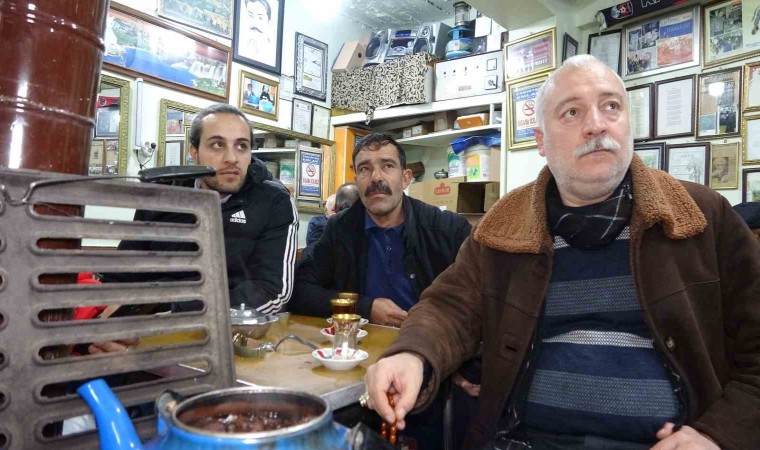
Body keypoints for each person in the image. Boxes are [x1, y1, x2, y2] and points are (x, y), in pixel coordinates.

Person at [363, 55, 760, 450]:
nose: (596, 124)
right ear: (541, 141)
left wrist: (716, 434)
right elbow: (448, 308)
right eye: (572, 112)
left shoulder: (702, 216)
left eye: (611, 106)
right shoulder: (504, 225)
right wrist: (412, 354)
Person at [289, 133, 472, 450]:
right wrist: (365, 306)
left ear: (406, 177)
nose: (376, 178)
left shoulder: (447, 230)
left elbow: (480, 299)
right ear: (356, 180)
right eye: (364, 168)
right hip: (357, 370)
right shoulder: (340, 230)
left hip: (429, 364)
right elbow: (300, 291)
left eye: (387, 166)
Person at [105, 104, 298, 314]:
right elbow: (122, 274)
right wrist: (114, 309)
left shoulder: (273, 202)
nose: (232, 158)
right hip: (145, 322)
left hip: (230, 327)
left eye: (242, 146)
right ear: (195, 153)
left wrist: (177, 312)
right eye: (217, 145)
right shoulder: (162, 194)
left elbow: (270, 292)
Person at [240, 0, 277, 67]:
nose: (255, 22)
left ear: (269, 23)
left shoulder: (271, 55)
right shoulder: (243, 48)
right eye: (250, 16)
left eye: (260, 18)